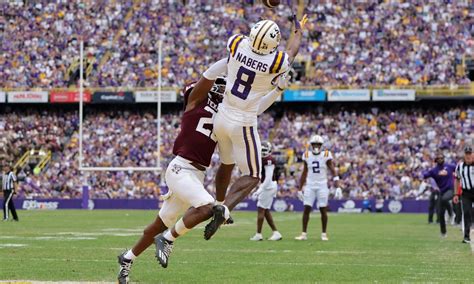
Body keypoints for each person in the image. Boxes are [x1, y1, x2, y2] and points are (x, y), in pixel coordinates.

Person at [204, 14, 308, 240]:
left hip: (222, 114)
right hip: (243, 120)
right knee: (253, 174)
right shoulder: (275, 62)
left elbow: (245, 44)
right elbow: (291, 52)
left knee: (226, 162)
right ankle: (224, 209)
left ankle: (219, 201)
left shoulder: (236, 43)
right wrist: (298, 32)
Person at [295, 135, 339, 241]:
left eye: (318, 144)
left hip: (322, 185)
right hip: (310, 185)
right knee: (306, 209)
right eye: (314, 144)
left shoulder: (326, 155)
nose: (316, 146)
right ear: (311, 145)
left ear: (321, 146)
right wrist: (300, 188)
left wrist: (338, 186)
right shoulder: (306, 155)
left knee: (323, 209)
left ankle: (324, 234)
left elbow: (333, 170)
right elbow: (304, 173)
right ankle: (304, 234)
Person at [249, 141, 282, 241]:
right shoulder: (264, 159)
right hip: (269, 186)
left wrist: (260, 190)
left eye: (264, 150)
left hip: (268, 186)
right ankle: (276, 233)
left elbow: (268, 177)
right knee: (265, 210)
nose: (263, 152)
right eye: (261, 150)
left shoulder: (268, 160)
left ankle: (258, 234)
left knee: (261, 209)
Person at [421, 152, 456, 237]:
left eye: (441, 158)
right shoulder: (434, 170)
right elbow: (424, 175)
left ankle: (451, 214)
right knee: (440, 213)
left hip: (450, 189)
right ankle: (443, 233)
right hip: (442, 191)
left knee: (444, 199)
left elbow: (459, 168)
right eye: (438, 158)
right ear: (436, 160)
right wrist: (424, 173)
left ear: (444, 158)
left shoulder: (450, 166)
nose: (440, 159)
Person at [454, 146, 474, 244]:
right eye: (466, 154)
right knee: (466, 213)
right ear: (464, 155)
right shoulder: (460, 166)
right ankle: (466, 236)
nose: (468, 155)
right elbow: (457, 180)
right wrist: (456, 194)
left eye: (470, 153)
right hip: (466, 193)